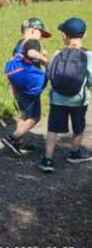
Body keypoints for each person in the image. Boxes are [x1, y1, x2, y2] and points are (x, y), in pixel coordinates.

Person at [38, 17, 92, 172]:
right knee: (78, 127)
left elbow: (49, 74)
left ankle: (48, 159)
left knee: (53, 128)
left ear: (64, 36)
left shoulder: (57, 53)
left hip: (57, 99)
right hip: (78, 100)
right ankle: (74, 153)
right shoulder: (89, 56)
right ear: (85, 34)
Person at [1, 18, 51, 156]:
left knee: (24, 115)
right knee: (35, 117)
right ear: (33, 30)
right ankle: (12, 139)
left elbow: (16, 64)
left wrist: (14, 87)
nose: (41, 38)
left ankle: (17, 143)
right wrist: (46, 60)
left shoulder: (19, 44)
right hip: (30, 85)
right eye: (41, 33)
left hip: (19, 85)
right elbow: (32, 54)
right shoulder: (33, 42)